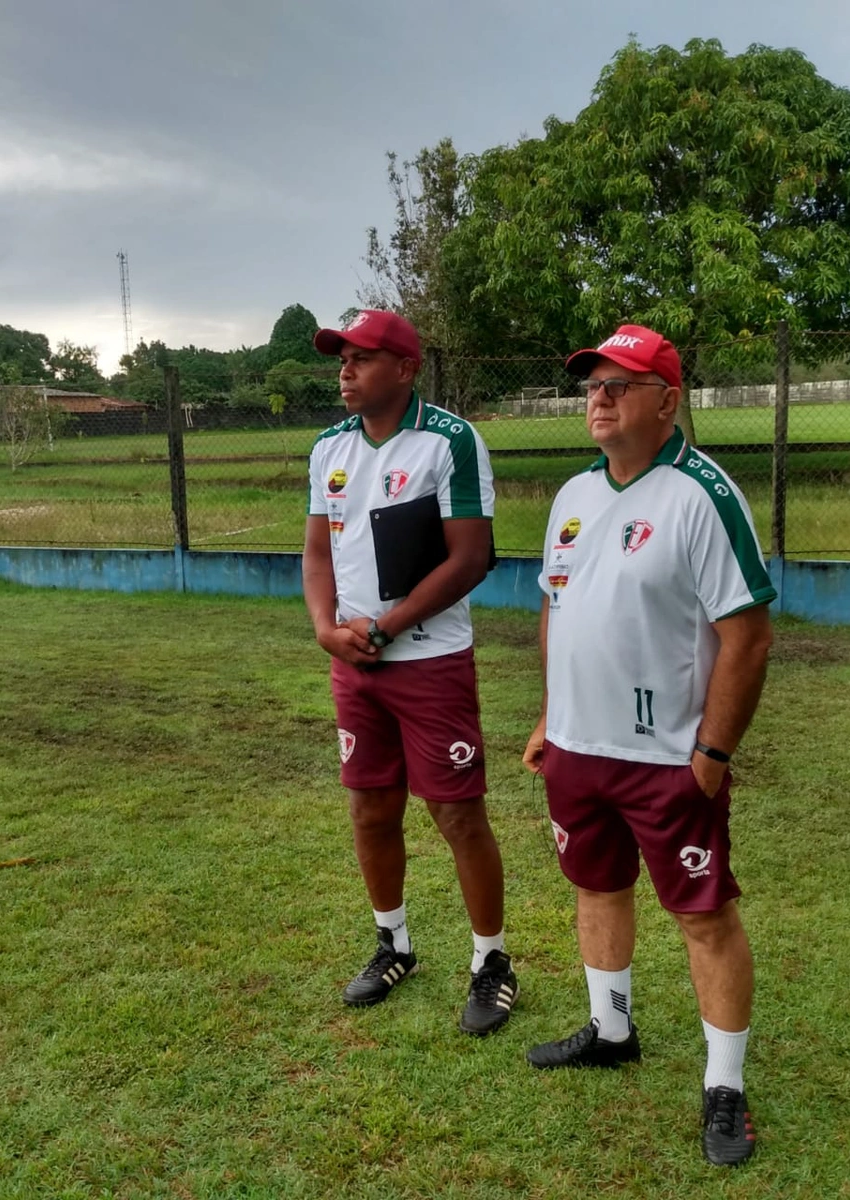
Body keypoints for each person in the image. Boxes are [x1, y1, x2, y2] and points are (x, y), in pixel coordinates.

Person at [522, 323, 776, 1166]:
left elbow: (747, 633)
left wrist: (713, 751)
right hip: (577, 749)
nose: (598, 397)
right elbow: (559, 609)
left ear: (667, 400)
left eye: (619, 383)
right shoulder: (572, 497)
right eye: (591, 383)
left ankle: (725, 1087)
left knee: (703, 916)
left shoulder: (702, 494)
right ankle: (610, 1027)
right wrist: (549, 718)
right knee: (596, 887)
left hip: (670, 757)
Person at [303, 309, 518, 1035]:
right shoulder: (327, 448)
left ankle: (491, 961)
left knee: (457, 813)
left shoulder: (449, 441)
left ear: (403, 368)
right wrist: (327, 630)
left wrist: (389, 626)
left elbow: (470, 558)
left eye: (361, 358)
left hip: (429, 661)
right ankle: (393, 943)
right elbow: (316, 554)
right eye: (341, 359)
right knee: (369, 807)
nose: (345, 371)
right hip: (355, 665)